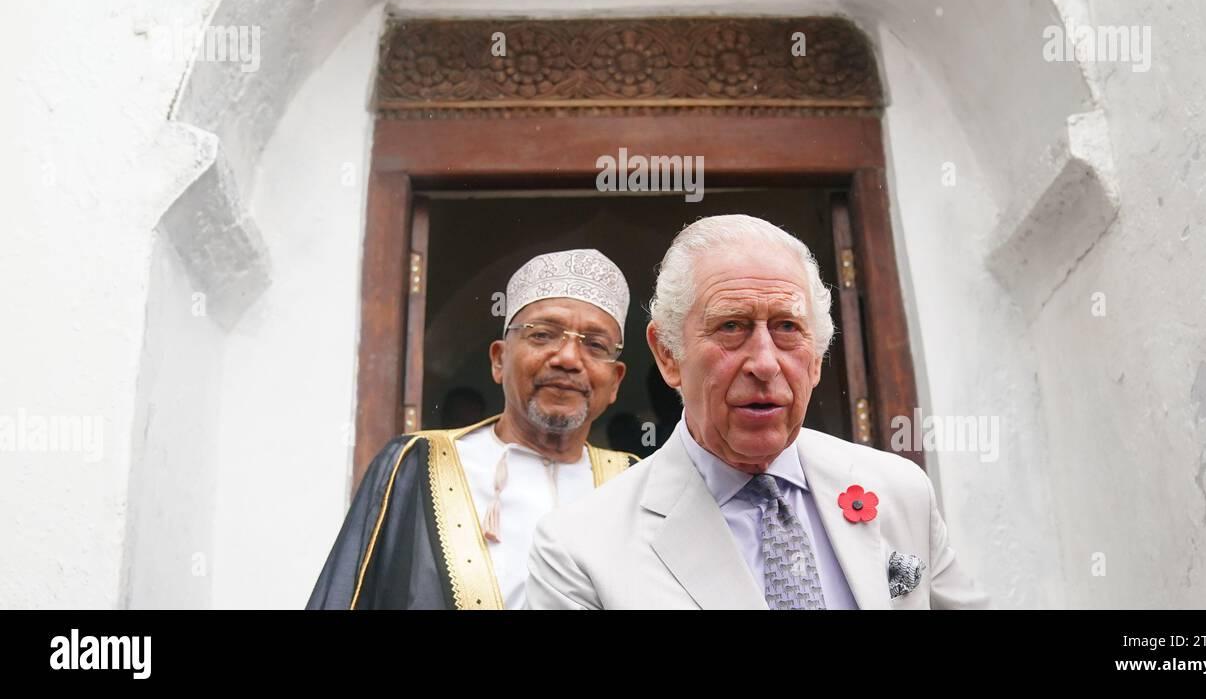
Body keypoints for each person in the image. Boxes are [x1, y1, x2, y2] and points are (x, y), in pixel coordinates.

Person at [526, 215, 990, 609]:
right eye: (731, 326)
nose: (765, 362)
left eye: (787, 327)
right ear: (668, 354)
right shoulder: (578, 547)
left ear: (816, 358)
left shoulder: (898, 490)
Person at [309, 248, 639, 609]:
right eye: (543, 335)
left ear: (615, 382)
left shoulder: (636, 485)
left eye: (595, 345)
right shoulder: (415, 465)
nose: (568, 359)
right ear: (499, 360)